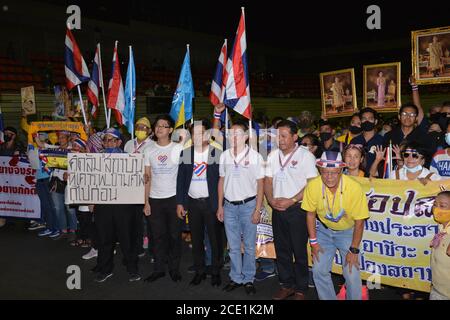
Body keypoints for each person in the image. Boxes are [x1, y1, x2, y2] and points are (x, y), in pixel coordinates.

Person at [301, 151, 369, 300]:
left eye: (334, 173)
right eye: (325, 172)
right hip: (324, 232)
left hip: (348, 232)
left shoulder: (354, 188)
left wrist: (354, 249)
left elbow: (359, 222)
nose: (329, 177)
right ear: (320, 171)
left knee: (351, 273)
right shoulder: (313, 186)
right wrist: (313, 243)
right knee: (318, 270)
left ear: (341, 171)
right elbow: (310, 215)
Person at [265, 120, 318, 300]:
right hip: (277, 209)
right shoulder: (272, 156)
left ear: (295, 137)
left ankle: (301, 288)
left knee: (299, 251)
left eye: (284, 136)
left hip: (297, 210)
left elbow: (312, 184)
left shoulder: (305, 156)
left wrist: (292, 200)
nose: (280, 139)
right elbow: (268, 181)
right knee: (282, 250)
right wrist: (271, 200)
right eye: (278, 136)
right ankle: (286, 285)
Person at [217, 120, 265, 295]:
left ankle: (248, 279)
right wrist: (219, 206)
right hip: (229, 206)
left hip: (249, 205)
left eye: (237, 134)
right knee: (234, 246)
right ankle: (236, 277)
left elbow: (261, 184)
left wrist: (257, 209)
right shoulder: (224, 156)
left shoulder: (255, 157)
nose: (233, 137)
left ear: (246, 136)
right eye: (230, 133)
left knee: (250, 246)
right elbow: (221, 181)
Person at [176, 119, 223, 287]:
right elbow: (180, 180)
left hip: (211, 204)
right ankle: (199, 271)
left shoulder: (216, 153)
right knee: (196, 240)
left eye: (201, 132)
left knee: (215, 239)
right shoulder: (186, 153)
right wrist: (180, 203)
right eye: (194, 133)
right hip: (193, 203)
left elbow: (222, 180)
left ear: (208, 134)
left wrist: (220, 205)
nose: (198, 136)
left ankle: (216, 272)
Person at [93, 128, 140, 283]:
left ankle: (132, 268)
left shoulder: (129, 159)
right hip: (103, 204)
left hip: (123, 205)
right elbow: (89, 181)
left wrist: (142, 176)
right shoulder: (93, 159)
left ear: (120, 142)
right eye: (106, 140)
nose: (109, 143)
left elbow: (136, 181)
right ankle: (105, 269)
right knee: (104, 238)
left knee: (127, 237)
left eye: (112, 140)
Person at [143, 115, 184, 283]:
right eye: (157, 126)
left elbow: (184, 177)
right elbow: (147, 177)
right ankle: (159, 269)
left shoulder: (178, 148)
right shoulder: (149, 150)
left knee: (174, 236)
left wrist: (182, 202)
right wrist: (146, 202)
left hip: (174, 198)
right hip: (155, 199)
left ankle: (174, 269)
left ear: (171, 130)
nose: (159, 128)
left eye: (164, 126)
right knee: (157, 236)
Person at [124, 117, 155, 259]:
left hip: (147, 187)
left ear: (149, 131)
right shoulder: (129, 144)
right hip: (130, 188)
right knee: (134, 219)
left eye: (143, 128)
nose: (140, 130)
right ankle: (137, 245)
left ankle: (150, 244)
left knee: (148, 219)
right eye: (138, 127)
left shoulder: (153, 145)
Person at [350, 107, 384, 176]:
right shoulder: (354, 141)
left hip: (376, 180)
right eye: (364, 119)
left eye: (370, 119)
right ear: (361, 121)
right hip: (357, 179)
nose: (367, 121)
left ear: (375, 121)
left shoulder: (382, 141)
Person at [429, 191, 450, 300]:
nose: (437, 209)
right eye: (435, 204)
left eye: (442, 206)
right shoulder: (441, 228)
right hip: (437, 289)